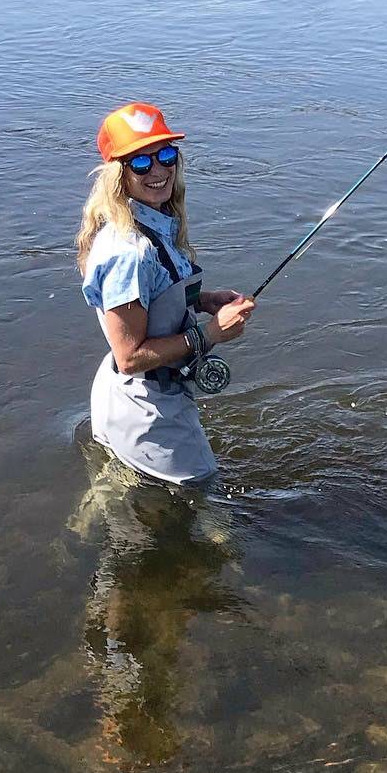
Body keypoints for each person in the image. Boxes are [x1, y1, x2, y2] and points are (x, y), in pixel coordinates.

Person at [77, 102, 255, 486]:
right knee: (208, 500)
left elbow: (149, 301)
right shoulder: (131, 252)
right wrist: (210, 334)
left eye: (166, 155)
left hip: (124, 398)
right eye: (140, 163)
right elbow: (130, 358)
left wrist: (202, 301)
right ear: (117, 176)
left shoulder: (146, 225)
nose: (158, 170)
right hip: (145, 406)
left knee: (123, 489)